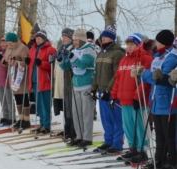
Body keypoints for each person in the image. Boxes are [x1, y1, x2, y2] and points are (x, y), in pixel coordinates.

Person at [131, 30, 177, 169]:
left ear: (162, 41)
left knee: (169, 134)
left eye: (157, 41)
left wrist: (145, 73)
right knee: (159, 133)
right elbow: (153, 78)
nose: (155, 43)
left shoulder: (172, 57)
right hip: (156, 101)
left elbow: (160, 79)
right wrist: (140, 74)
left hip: (168, 101)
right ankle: (159, 159)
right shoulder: (157, 56)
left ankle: (172, 160)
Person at [111, 33, 152, 162]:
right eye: (128, 44)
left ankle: (142, 150)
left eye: (132, 44)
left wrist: (137, 96)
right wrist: (114, 95)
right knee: (128, 125)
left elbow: (145, 81)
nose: (129, 47)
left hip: (138, 100)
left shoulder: (145, 58)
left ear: (138, 45)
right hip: (124, 99)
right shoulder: (124, 60)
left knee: (139, 125)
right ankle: (133, 148)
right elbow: (118, 79)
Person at [58, 28, 96, 147]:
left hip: (86, 84)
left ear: (82, 40)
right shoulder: (75, 50)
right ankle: (79, 136)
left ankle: (87, 137)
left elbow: (83, 64)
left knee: (86, 113)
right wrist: (60, 60)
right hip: (76, 85)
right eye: (73, 40)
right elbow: (67, 67)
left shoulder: (89, 50)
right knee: (76, 113)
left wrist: (71, 55)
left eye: (77, 40)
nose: (74, 42)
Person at [91, 22, 125, 154]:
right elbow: (97, 73)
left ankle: (117, 144)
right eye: (102, 36)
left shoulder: (118, 53)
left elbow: (117, 75)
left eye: (105, 37)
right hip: (102, 91)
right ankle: (108, 141)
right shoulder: (101, 53)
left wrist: (108, 90)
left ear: (112, 38)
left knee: (116, 119)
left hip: (112, 92)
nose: (102, 38)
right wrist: (94, 88)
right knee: (106, 119)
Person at [28, 29, 56, 133]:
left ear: (44, 39)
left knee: (45, 104)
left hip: (45, 80)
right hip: (35, 80)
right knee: (38, 105)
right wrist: (27, 62)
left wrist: (42, 63)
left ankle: (47, 125)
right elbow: (31, 64)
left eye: (40, 38)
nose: (38, 40)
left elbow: (53, 66)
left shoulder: (51, 50)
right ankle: (42, 123)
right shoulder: (32, 49)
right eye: (36, 38)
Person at [2, 32, 30, 129]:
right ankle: (21, 118)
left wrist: (17, 62)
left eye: (11, 43)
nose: (10, 45)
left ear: (15, 41)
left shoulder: (23, 47)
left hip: (21, 77)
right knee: (17, 98)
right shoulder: (8, 48)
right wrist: (6, 61)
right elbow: (4, 60)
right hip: (12, 76)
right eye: (8, 43)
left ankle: (26, 120)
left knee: (23, 97)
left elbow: (27, 62)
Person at [53, 28, 76, 143]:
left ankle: (73, 129)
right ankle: (67, 128)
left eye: (66, 37)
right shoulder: (64, 48)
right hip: (63, 80)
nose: (64, 39)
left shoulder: (73, 48)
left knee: (71, 106)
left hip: (70, 79)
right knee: (66, 105)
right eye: (63, 37)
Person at [27, 23, 40, 115]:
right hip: (31, 69)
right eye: (32, 33)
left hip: (39, 71)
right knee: (31, 89)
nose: (32, 35)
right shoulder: (30, 43)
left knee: (38, 91)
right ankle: (32, 105)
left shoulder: (39, 43)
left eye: (34, 33)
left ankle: (38, 107)